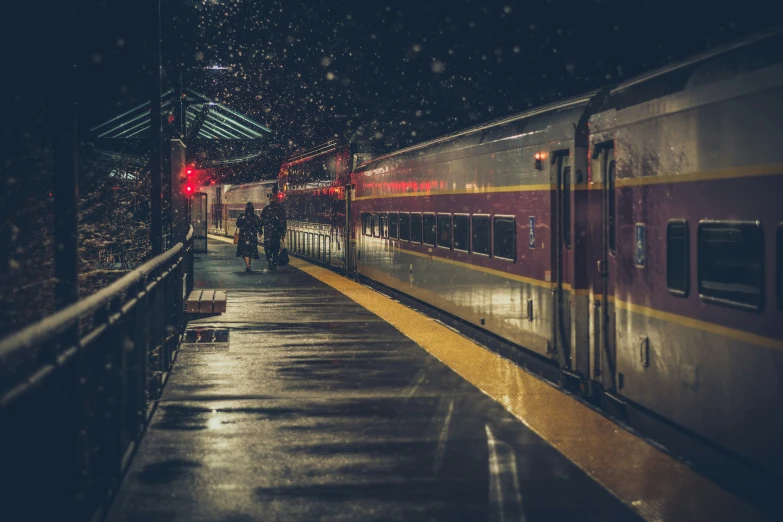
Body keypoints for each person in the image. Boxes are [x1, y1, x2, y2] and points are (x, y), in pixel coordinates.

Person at [260, 184, 287, 271]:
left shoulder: (266, 209)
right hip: (277, 233)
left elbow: (262, 220)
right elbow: (283, 222)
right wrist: (283, 233)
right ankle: (274, 261)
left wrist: (260, 230)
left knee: (267, 247)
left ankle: (270, 259)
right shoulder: (281, 209)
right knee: (276, 248)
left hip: (268, 232)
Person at [235, 202, 262, 272]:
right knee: (250, 251)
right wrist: (260, 232)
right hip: (252, 237)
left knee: (245, 251)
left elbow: (238, 224)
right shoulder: (255, 217)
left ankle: (247, 265)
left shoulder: (242, 216)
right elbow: (259, 225)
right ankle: (249, 264)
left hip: (243, 237)